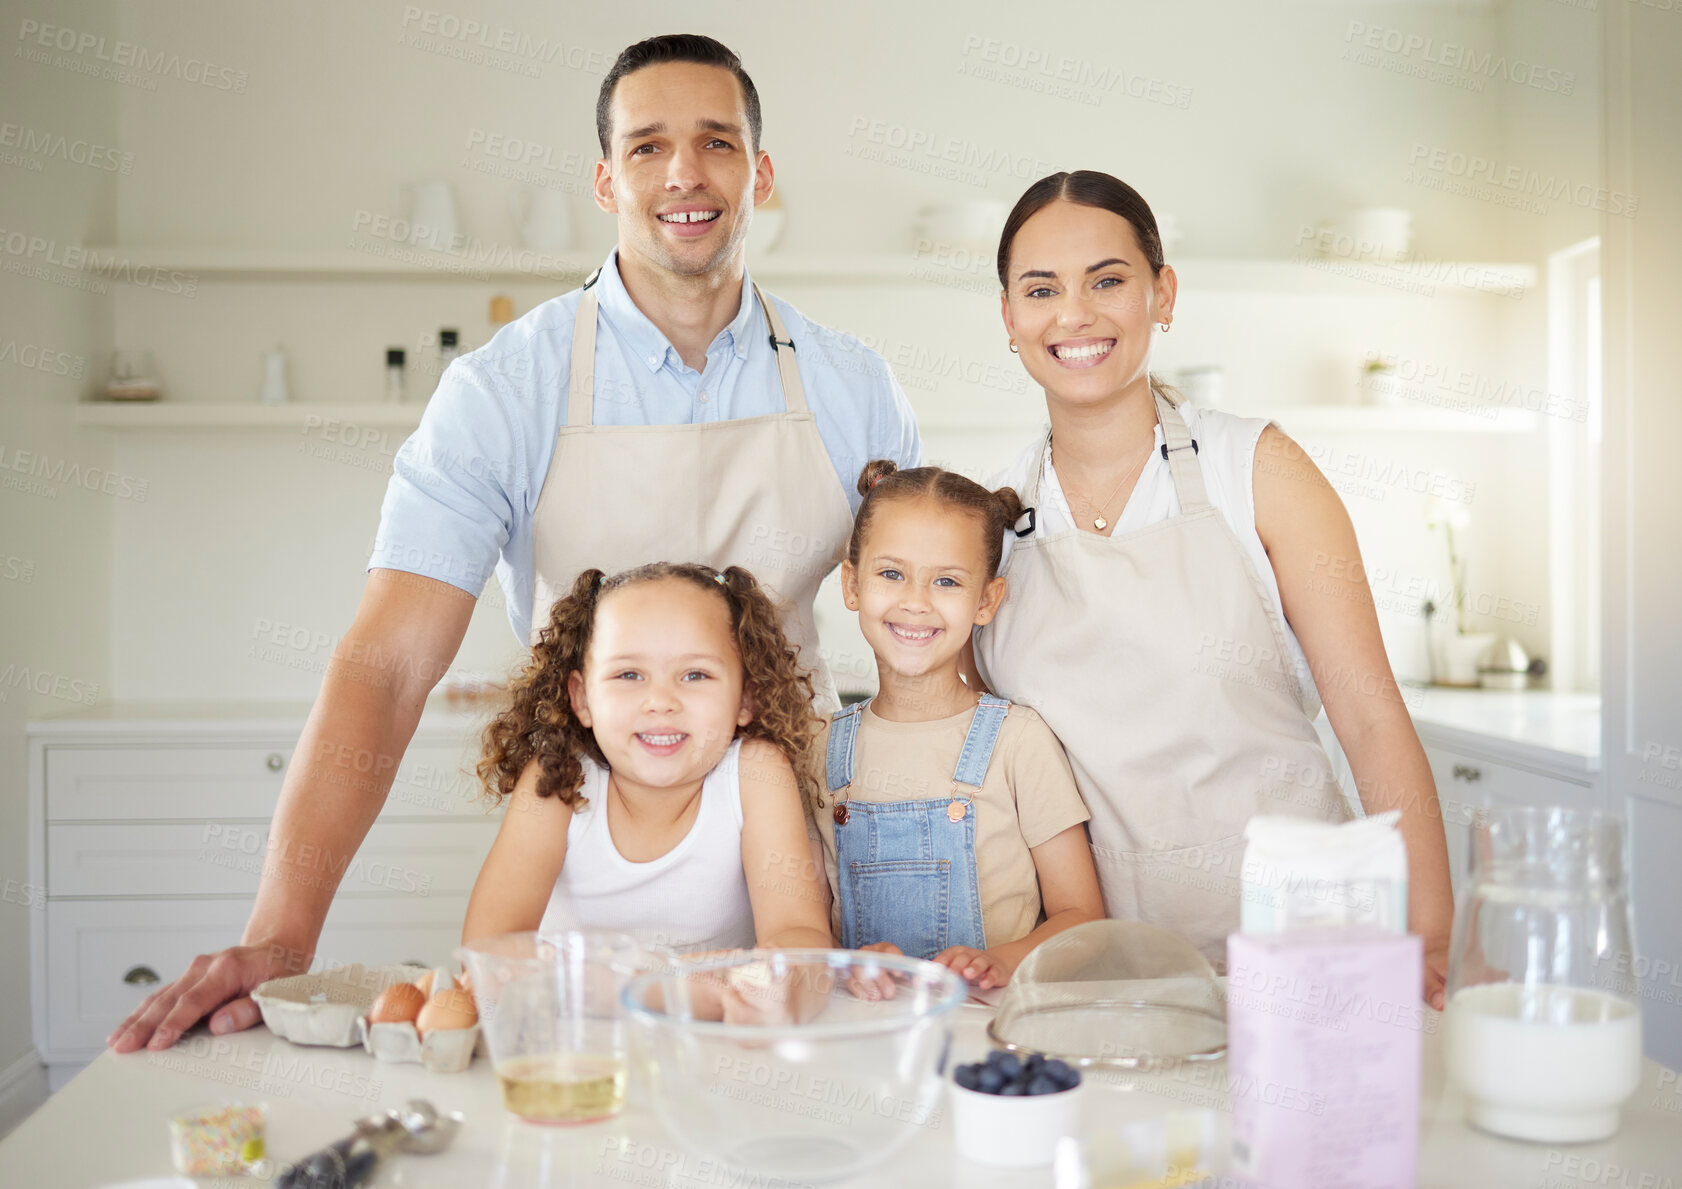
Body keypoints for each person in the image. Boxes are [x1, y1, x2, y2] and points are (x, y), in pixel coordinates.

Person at [109, 34, 917, 1053]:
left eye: (716, 142)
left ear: (758, 173)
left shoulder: (854, 388)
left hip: (797, 878)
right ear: (602, 178)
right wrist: (280, 935)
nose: (683, 173)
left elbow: (926, 655)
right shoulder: (502, 391)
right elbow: (387, 665)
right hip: (585, 922)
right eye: (646, 146)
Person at [966, 171, 1455, 1005]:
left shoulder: (1257, 468)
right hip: (1099, 974)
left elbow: (1370, 715)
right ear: (1009, 318)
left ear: (1164, 294)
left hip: (1306, 947)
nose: (1074, 314)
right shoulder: (996, 521)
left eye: (1108, 280)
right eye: (1041, 288)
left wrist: (1434, 937)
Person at [816, 460, 1103, 990]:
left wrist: (1006, 960)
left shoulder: (1019, 740)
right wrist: (846, 963)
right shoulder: (820, 750)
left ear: (986, 601)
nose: (915, 602)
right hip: (865, 1038)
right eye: (891, 574)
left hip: (992, 1033)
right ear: (852, 584)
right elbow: (802, 928)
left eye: (946, 581)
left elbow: (1082, 917)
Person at [462, 563, 831, 951]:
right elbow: (489, 947)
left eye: (695, 675)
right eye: (629, 675)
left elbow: (799, 938)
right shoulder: (557, 780)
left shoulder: (755, 774)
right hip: (573, 1009)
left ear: (745, 697)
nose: (660, 702)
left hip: (710, 1013)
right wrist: (659, 989)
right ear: (582, 698)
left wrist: (766, 981)